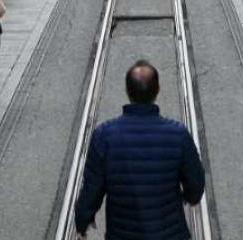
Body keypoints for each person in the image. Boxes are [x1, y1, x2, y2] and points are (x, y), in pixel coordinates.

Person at [74, 60, 205, 240]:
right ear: (157, 90)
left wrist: (83, 220)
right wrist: (188, 197)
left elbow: (92, 188)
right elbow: (195, 188)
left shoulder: (104, 135)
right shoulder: (178, 134)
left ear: (127, 92)